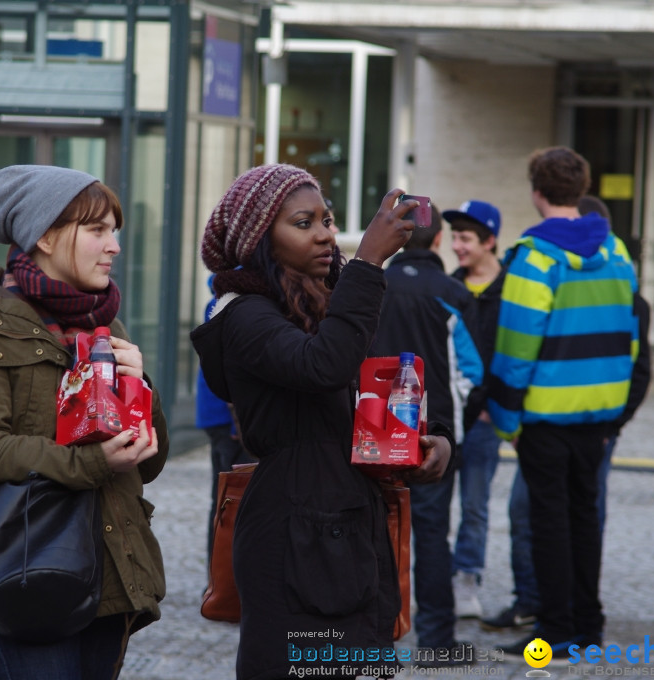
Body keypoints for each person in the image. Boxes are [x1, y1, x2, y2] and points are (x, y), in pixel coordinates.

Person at [190, 163, 457, 679]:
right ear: (259, 239)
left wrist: (435, 439)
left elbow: (379, 387)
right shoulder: (243, 316)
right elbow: (323, 366)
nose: (325, 234)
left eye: (328, 220)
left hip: (349, 530)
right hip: (293, 538)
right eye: (303, 223)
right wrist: (370, 262)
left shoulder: (326, 301)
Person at [0, 164, 170, 679]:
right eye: (97, 230)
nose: (114, 246)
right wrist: (93, 462)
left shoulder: (106, 327)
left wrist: (141, 388)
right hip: (25, 574)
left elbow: (149, 460)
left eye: (113, 231)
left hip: (110, 579)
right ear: (46, 236)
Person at [488, 147, 638, 662]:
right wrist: (614, 410)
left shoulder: (535, 257)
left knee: (548, 522)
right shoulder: (617, 250)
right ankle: (588, 626)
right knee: (584, 517)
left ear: (536, 192)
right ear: (580, 188)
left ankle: (554, 632)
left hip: (546, 415)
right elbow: (630, 335)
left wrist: (506, 417)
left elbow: (515, 348)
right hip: (598, 412)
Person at [369, 204, 483, 666]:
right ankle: (436, 641)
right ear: (438, 240)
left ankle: (374, 639)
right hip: (433, 438)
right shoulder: (454, 292)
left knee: (373, 530)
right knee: (433, 534)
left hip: (370, 429)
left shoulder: (371, 287)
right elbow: (471, 375)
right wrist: (455, 428)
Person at [445, 199, 505, 622]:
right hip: (450, 415)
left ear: (490, 242)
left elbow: (516, 354)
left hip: (485, 420)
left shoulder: (513, 291)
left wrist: (494, 408)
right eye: (453, 237)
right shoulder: (449, 287)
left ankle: (468, 577)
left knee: (476, 504)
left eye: (465, 238)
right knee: (436, 502)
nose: (456, 246)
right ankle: (435, 574)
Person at [196, 273, 251, 560]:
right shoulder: (231, 299)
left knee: (225, 500)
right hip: (227, 419)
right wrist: (237, 419)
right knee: (230, 502)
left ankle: (219, 582)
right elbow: (231, 364)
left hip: (221, 414)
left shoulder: (223, 294)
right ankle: (221, 584)